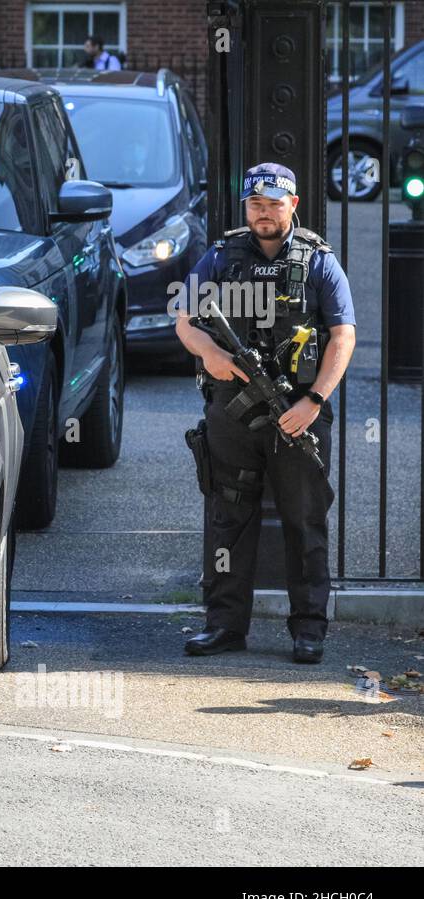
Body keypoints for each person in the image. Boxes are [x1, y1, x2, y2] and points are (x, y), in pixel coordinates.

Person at [175, 163, 356, 664]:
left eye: (274, 205)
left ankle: (309, 629)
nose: (265, 214)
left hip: (298, 410)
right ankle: (224, 625)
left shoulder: (318, 262)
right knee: (227, 518)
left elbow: (343, 335)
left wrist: (313, 400)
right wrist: (209, 354)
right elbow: (186, 319)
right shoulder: (221, 255)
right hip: (231, 414)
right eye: (256, 205)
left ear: (292, 205)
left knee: (305, 519)